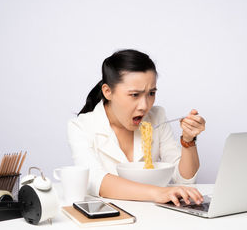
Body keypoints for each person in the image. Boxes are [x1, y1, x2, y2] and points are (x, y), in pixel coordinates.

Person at [67, 49, 206, 206]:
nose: (144, 106)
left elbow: (185, 179)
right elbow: (94, 180)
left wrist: (189, 140)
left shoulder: (157, 116)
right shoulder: (80, 126)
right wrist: (158, 192)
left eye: (151, 93)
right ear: (108, 92)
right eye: (134, 95)